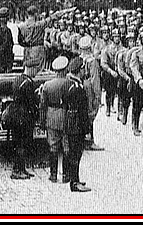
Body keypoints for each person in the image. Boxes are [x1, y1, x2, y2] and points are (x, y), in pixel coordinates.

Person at [39, 56, 71, 183]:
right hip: (65, 116)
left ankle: (53, 175)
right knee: (66, 146)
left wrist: (42, 121)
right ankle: (65, 175)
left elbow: (42, 105)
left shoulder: (47, 85)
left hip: (51, 116)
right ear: (65, 70)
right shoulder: (70, 83)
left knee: (53, 146)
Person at [64, 57, 92, 192]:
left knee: (74, 153)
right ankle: (74, 182)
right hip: (76, 125)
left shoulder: (71, 84)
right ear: (79, 70)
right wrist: (86, 128)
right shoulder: (77, 88)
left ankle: (75, 179)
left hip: (73, 124)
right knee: (76, 154)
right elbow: (81, 111)